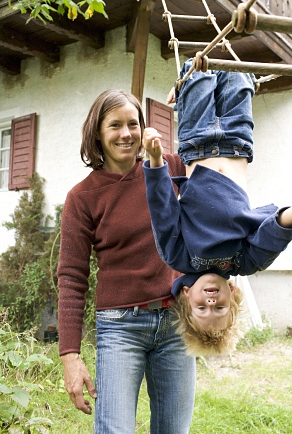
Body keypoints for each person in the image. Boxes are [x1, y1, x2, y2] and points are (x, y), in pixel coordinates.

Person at [142, 58, 292, 356]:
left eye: (202, 308)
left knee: (198, 72)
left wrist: (156, 161)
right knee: (238, 75)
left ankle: (185, 88)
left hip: (196, 142)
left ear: (186, 296)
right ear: (232, 294)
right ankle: (202, 76)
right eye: (220, 307)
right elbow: (271, 238)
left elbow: (162, 210)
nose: (211, 302)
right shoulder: (244, 263)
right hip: (238, 142)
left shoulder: (178, 256)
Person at [57, 89, 196, 434]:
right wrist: (70, 357)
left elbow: (207, 206)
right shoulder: (82, 197)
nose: (126, 133)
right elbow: (72, 277)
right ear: (98, 133)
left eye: (133, 124)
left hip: (176, 322)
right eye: (115, 125)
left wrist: (190, 96)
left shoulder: (169, 167)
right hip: (120, 328)